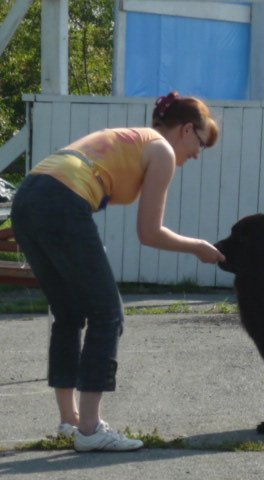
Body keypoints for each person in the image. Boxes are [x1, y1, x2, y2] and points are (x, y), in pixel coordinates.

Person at [10, 91, 225, 452]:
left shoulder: (136, 138)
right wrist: (198, 247)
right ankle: (91, 429)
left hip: (29, 196)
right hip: (61, 200)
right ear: (187, 129)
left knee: (69, 312)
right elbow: (149, 233)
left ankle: (70, 421)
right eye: (201, 142)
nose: (197, 154)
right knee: (108, 314)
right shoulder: (162, 151)